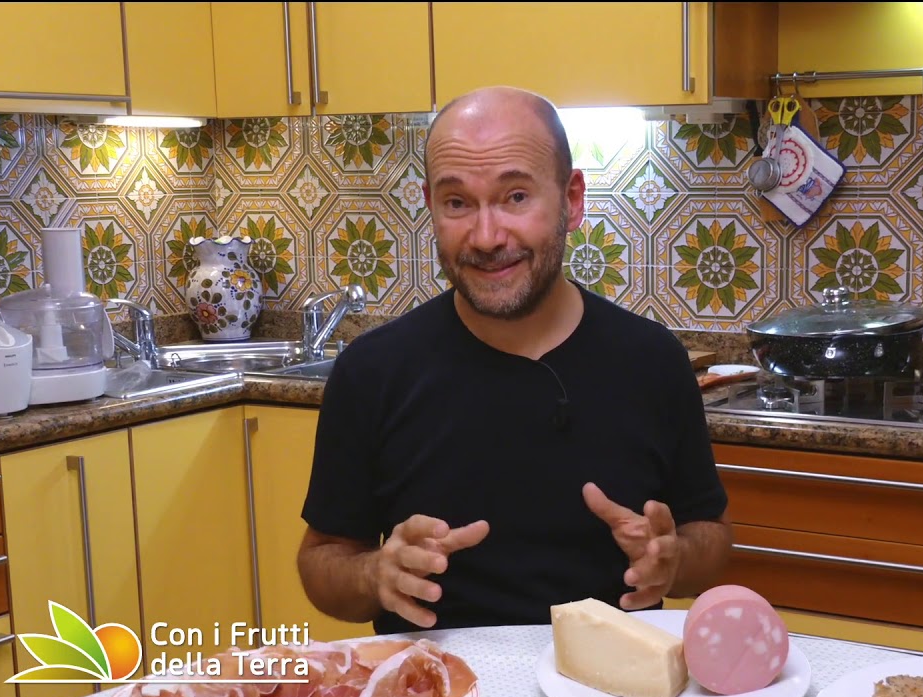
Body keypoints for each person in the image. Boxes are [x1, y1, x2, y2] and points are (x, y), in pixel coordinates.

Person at [295, 85, 733, 635]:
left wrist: (674, 558)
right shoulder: (372, 371)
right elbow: (323, 560)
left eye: (516, 197)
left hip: (611, 677)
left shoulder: (653, 360)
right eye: (457, 203)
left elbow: (711, 537)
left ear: (572, 200)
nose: (486, 237)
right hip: (437, 678)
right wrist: (374, 574)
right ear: (430, 205)